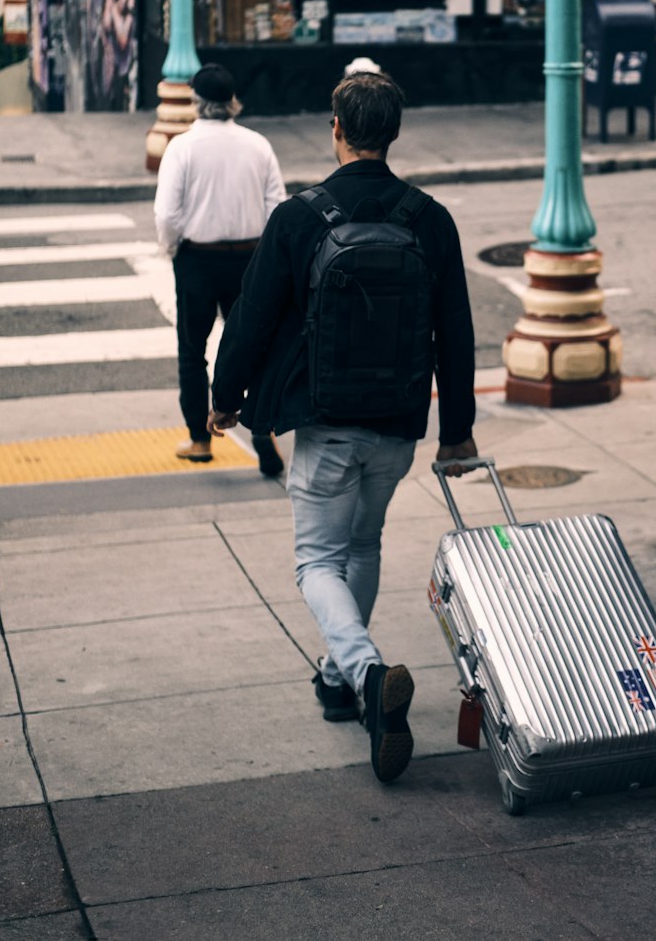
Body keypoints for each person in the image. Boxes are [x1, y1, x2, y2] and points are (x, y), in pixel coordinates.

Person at [209, 71, 477, 784]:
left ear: (336, 129)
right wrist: (459, 428)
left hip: (325, 421)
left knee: (315, 561)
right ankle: (336, 676)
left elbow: (253, 314)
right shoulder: (430, 218)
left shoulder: (301, 218)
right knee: (363, 540)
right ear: (393, 133)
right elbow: (455, 330)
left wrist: (225, 396)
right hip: (396, 424)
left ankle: (363, 675)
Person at [154, 63, 286, 475]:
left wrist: (171, 248)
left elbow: (167, 213)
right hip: (248, 259)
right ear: (232, 102)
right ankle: (263, 434)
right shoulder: (258, 145)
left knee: (192, 352)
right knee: (252, 348)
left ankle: (199, 438)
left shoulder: (182, 147)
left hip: (197, 259)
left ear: (195, 102)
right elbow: (276, 207)